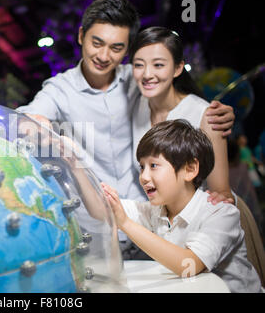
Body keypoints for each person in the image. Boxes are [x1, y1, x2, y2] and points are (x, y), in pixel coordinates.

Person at [16, 0, 235, 258]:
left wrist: (213, 113)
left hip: (152, 221)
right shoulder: (59, 89)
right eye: (96, 43)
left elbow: (176, 93)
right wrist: (39, 129)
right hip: (98, 225)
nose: (104, 55)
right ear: (81, 35)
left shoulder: (139, 77)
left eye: (117, 48)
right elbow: (26, 121)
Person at [102, 119, 262, 293]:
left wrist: (125, 223)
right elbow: (102, 207)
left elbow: (189, 266)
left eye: (154, 165)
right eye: (142, 167)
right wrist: (77, 167)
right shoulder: (156, 211)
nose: (144, 177)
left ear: (190, 169)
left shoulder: (220, 213)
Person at [129, 26, 234, 203]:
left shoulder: (206, 116)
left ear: (178, 68)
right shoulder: (137, 106)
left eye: (158, 65)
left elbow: (222, 195)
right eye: (139, 65)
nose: (147, 74)